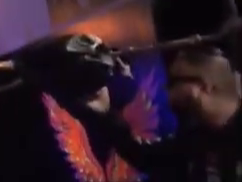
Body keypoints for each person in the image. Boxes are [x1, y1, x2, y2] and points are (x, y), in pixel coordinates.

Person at [78, 46, 241, 182]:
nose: (166, 89)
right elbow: (146, 157)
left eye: (174, 81)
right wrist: (104, 113)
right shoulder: (197, 138)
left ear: (204, 86)